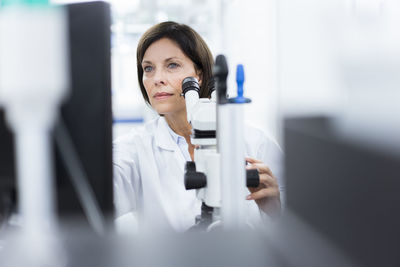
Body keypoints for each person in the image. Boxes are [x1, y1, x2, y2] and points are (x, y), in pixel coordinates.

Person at [113, 21, 284, 232]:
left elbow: (301, 227)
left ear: (200, 76)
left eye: (172, 65)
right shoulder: (134, 149)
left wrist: (276, 208)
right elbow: (98, 197)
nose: (157, 79)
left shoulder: (254, 141)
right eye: (148, 68)